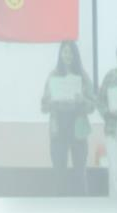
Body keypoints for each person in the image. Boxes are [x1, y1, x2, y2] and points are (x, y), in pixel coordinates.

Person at [41, 40, 96, 195]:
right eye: (65, 52)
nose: (68, 55)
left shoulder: (83, 76)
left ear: (75, 55)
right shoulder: (53, 75)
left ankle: (82, 207)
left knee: (80, 173)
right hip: (58, 128)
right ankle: (60, 207)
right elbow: (43, 107)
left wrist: (82, 100)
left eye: (71, 52)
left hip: (78, 127)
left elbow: (93, 105)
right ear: (60, 54)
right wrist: (51, 101)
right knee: (59, 173)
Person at [97, 47, 117, 197]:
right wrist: (107, 112)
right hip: (113, 130)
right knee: (114, 171)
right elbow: (100, 100)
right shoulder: (110, 76)